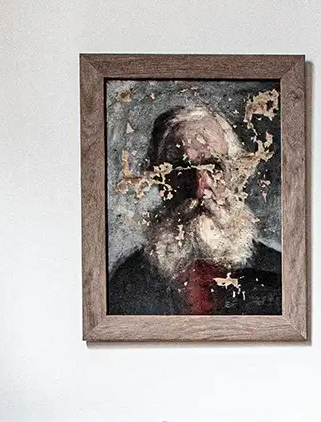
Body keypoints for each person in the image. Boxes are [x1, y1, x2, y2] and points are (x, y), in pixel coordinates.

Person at [107, 105, 282, 316]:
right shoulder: (128, 284)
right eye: (182, 170)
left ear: (235, 176)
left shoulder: (278, 275)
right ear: (159, 180)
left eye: (214, 168)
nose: (200, 188)